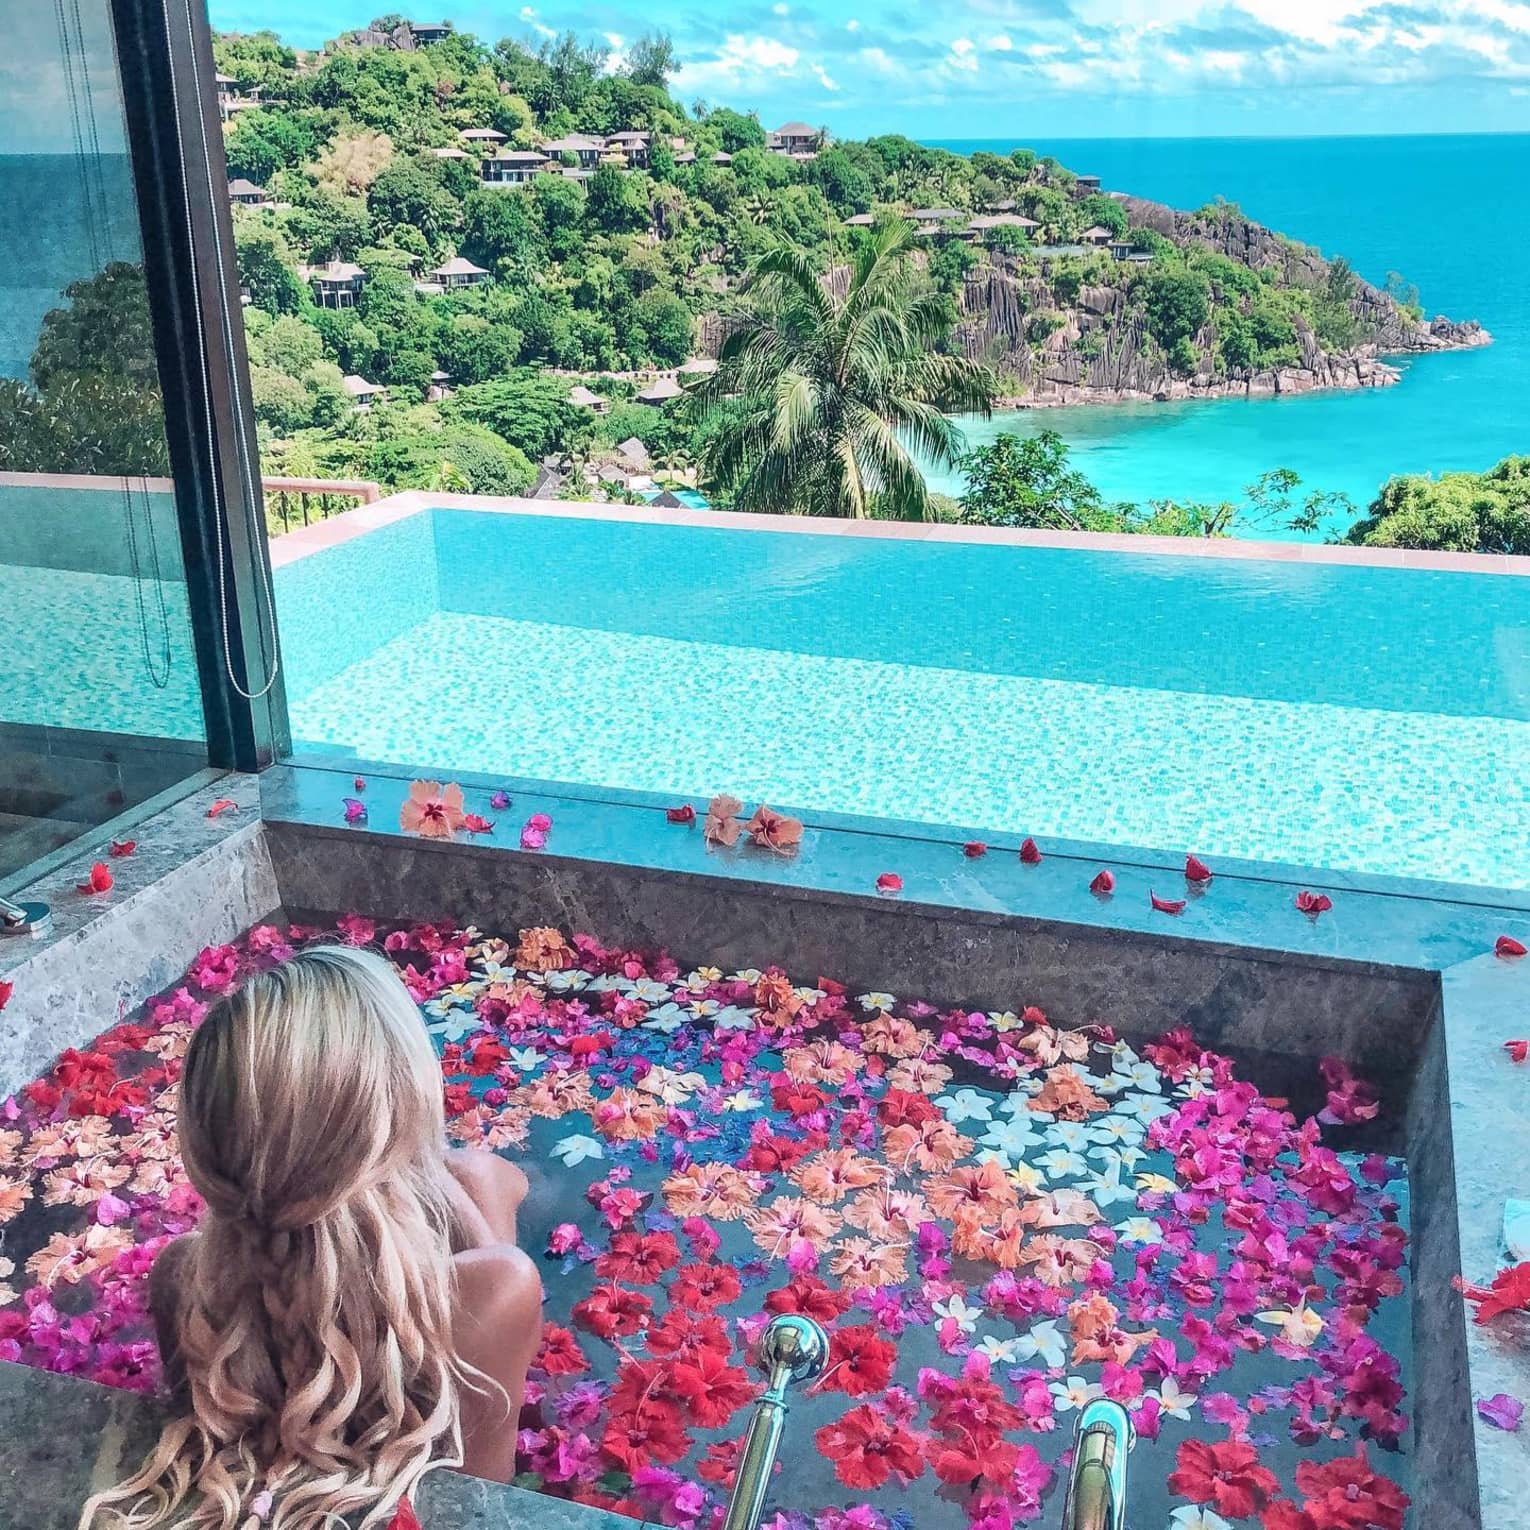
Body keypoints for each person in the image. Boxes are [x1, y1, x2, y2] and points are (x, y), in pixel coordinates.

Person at [80, 945, 543, 1530]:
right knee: (482, 1178)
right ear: (402, 1106)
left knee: (478, 1175)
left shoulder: (182, 1277)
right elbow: (483, 1500)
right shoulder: (496, 1286)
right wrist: (432, 1160)